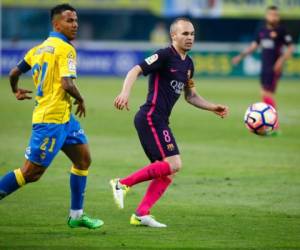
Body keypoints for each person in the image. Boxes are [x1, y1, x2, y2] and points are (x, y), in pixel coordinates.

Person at [110, 17, 229, 228]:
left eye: (192, 34)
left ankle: (141, 214)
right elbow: (135, 70)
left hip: (161, 120)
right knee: (174, 164)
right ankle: (122, 184)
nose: (190, 38)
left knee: (169, 170)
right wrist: (124, 93)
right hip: (150, 117)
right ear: (173, 35)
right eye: (185, 34)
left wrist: (213, 107)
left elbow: (190, 96)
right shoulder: (164, 55)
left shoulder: (189, 64)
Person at [0, 4, 103, 229]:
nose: (75, 24)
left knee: (83, 160)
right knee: (31, 172)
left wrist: (15, 90)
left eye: (76, 20)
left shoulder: (37, 49)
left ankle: (76, 216)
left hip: (65, 118)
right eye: (69, 21)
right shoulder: (66, 49)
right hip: (50, 121)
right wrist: (81, 98)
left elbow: (14, 72)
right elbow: (67, 83)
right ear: (56, 24)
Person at [232, 5, 294, 134]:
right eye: (271, 14)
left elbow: (290, 48)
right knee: (263, 94)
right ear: (267, 16)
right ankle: (262, 124)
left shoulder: (282, 30)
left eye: (276, 15)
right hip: (264, 67)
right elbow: (253, 46)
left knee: (267, 94)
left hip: (274, 68)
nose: (274, 17)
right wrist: (240, 56)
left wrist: (280, 61)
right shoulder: (262, 31)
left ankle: (274, 126)